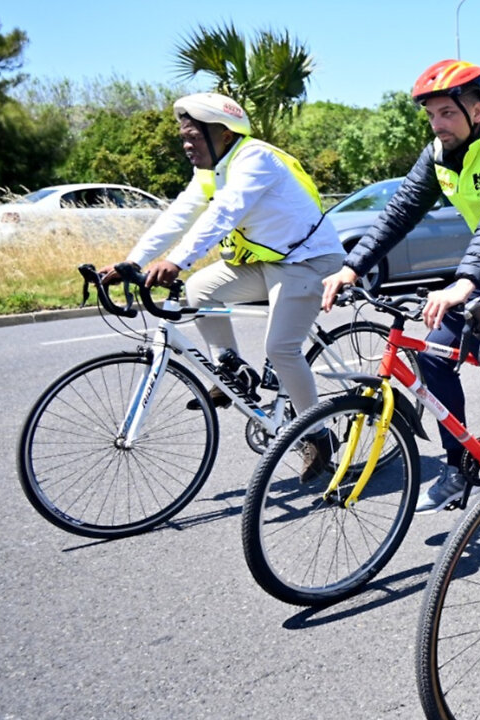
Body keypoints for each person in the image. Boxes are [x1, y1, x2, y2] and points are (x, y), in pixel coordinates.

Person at [320, 59, 480, 513]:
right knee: (433, 349)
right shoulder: (437, 153)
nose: (437, 124)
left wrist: (462, 282)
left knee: (468, 317)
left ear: (476, 109)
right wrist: (352, 267)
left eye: (446, 113)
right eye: (431, 115)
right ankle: (458, 466)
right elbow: (398, 212)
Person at [103, 92, 345, 481]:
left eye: (193, 137)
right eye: (183, 137)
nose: (185, 144)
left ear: (225, 134)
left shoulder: (255, 160)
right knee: (199, 289)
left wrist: (177, 260)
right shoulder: (212, 171)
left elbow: (223, 212)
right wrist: (133, 260)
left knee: (281, 347)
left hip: (309, 261)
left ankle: (317, 435)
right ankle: (233, 371)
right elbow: (179, 214)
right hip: (268, 262)